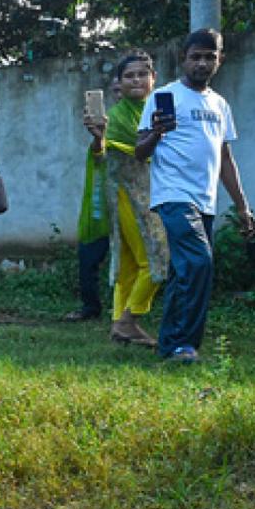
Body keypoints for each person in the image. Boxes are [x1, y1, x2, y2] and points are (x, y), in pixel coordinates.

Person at [136, 29, 255, 362]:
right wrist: (158, 133)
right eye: (196, 56)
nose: (203, 62)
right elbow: (139, 151)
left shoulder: (220, 104)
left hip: (205, 200)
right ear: (183, 59)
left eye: (210, 56)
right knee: (199, 261)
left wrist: (243, 208)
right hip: (173, 195)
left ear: (220, 59)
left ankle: (167, 345)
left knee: (182, 272)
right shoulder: (165, 96)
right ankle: (184, 345)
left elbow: (225, 160)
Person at [84, 51, 169, 347]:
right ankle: (127, 321)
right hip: (128, 196)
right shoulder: (118, 117)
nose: (136, 80)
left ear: (153, 79)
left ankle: (119, 326)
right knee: (156, 261)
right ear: (119, 83)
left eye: (142, 74)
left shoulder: (158, 110)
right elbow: (105, 154)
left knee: (132, 263)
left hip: (153, 194)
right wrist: (99, 139)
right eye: (129, 75)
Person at [64, 77, 122, 322]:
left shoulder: (145, 119)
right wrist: (99, 137)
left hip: (132, 201)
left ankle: (128, 312)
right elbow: (99, 155)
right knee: (88, 258)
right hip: (101, 203)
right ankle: (91, 307)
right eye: (118, 89)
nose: (122, 93)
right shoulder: (108, 121)